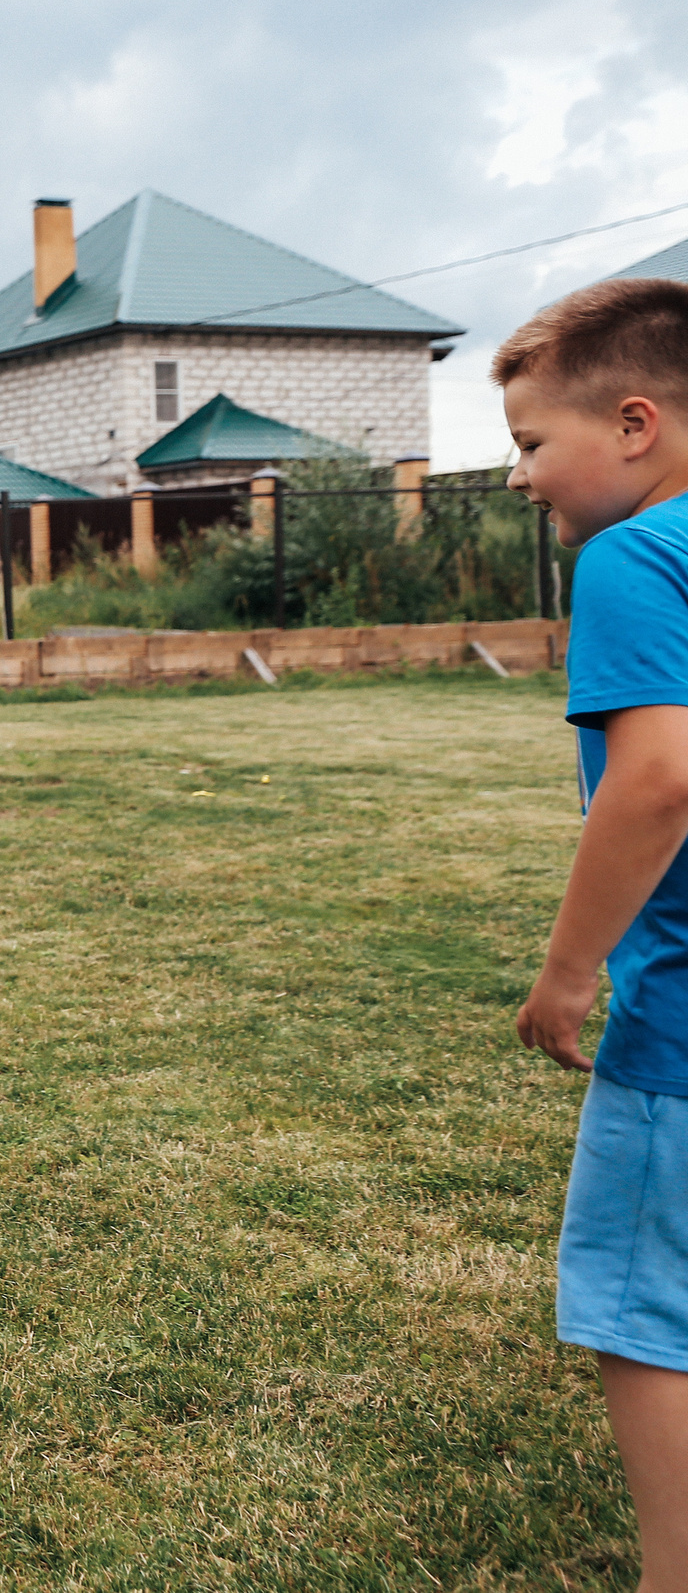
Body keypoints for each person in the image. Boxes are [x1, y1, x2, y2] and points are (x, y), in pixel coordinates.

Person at [507, 277, 688, 1590]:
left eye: (530, 443)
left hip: (678, 1027)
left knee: (650, 1309)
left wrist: (573, 971)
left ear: (635, 425)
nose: (520, 476)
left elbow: (662, 777)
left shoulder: (633, 555)